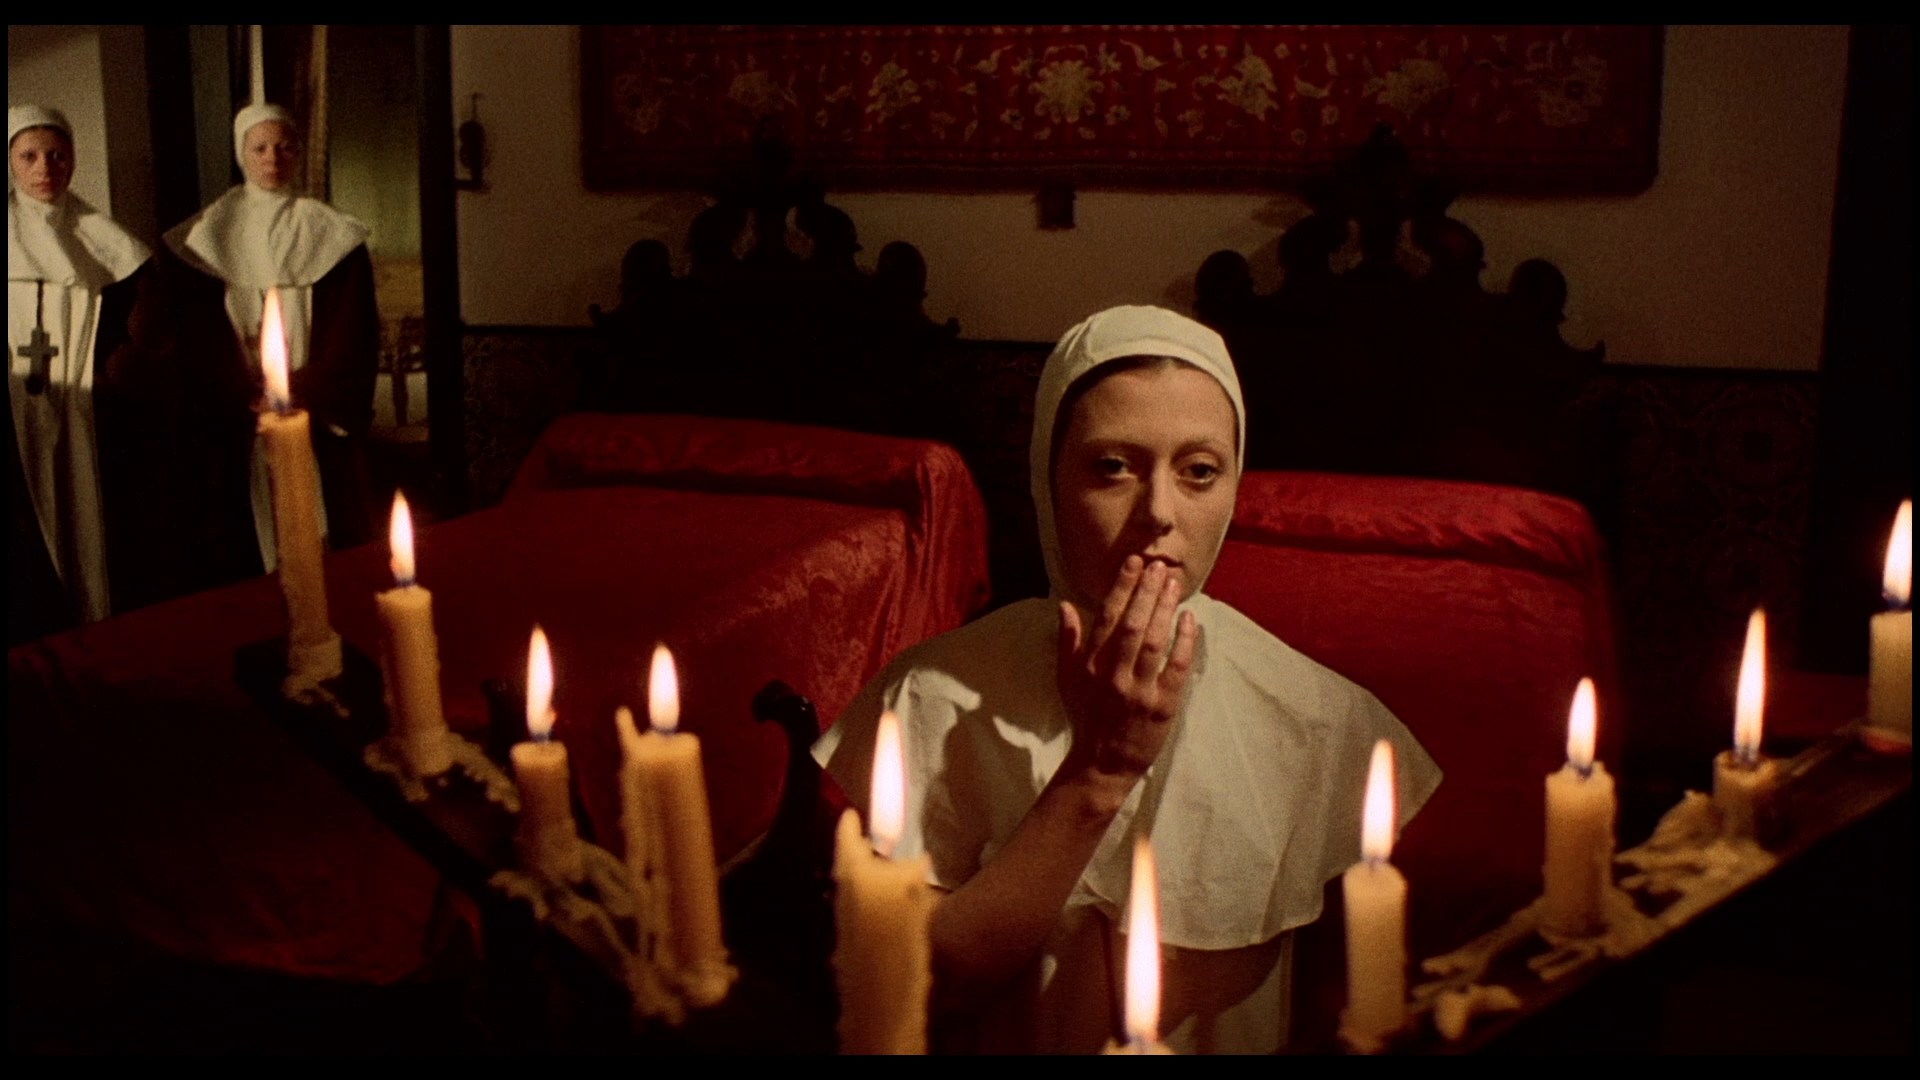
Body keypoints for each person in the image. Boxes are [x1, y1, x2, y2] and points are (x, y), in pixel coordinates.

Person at [813, 305, 1442, 1054]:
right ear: (1048, 481)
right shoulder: (931, 695)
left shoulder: (1317, 715)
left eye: (1199, 471)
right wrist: (1099, 771)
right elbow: (918, 997)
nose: (1158, 513)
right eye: (1113, 467)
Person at [158, 102, 379, 590]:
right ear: (242, 154)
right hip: (238, 416)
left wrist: (305, 387)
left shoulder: (334, 235)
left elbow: (353, 333)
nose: (272, 158)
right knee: (239, 545)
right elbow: (196, 337)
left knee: (328, 536)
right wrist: (241, 392)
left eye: (284, 147)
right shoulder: (204, 236)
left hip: (314, 409)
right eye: (260, 148)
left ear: (299, 152)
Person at [7, 104, 159, 641]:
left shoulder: (109, 244)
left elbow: (131, 339)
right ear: (10, 163)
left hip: (90, 416)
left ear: (73, 159)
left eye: (57, 155)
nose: (44, 168)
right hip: (13, 421)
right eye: (29, 156)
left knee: (90, 518)